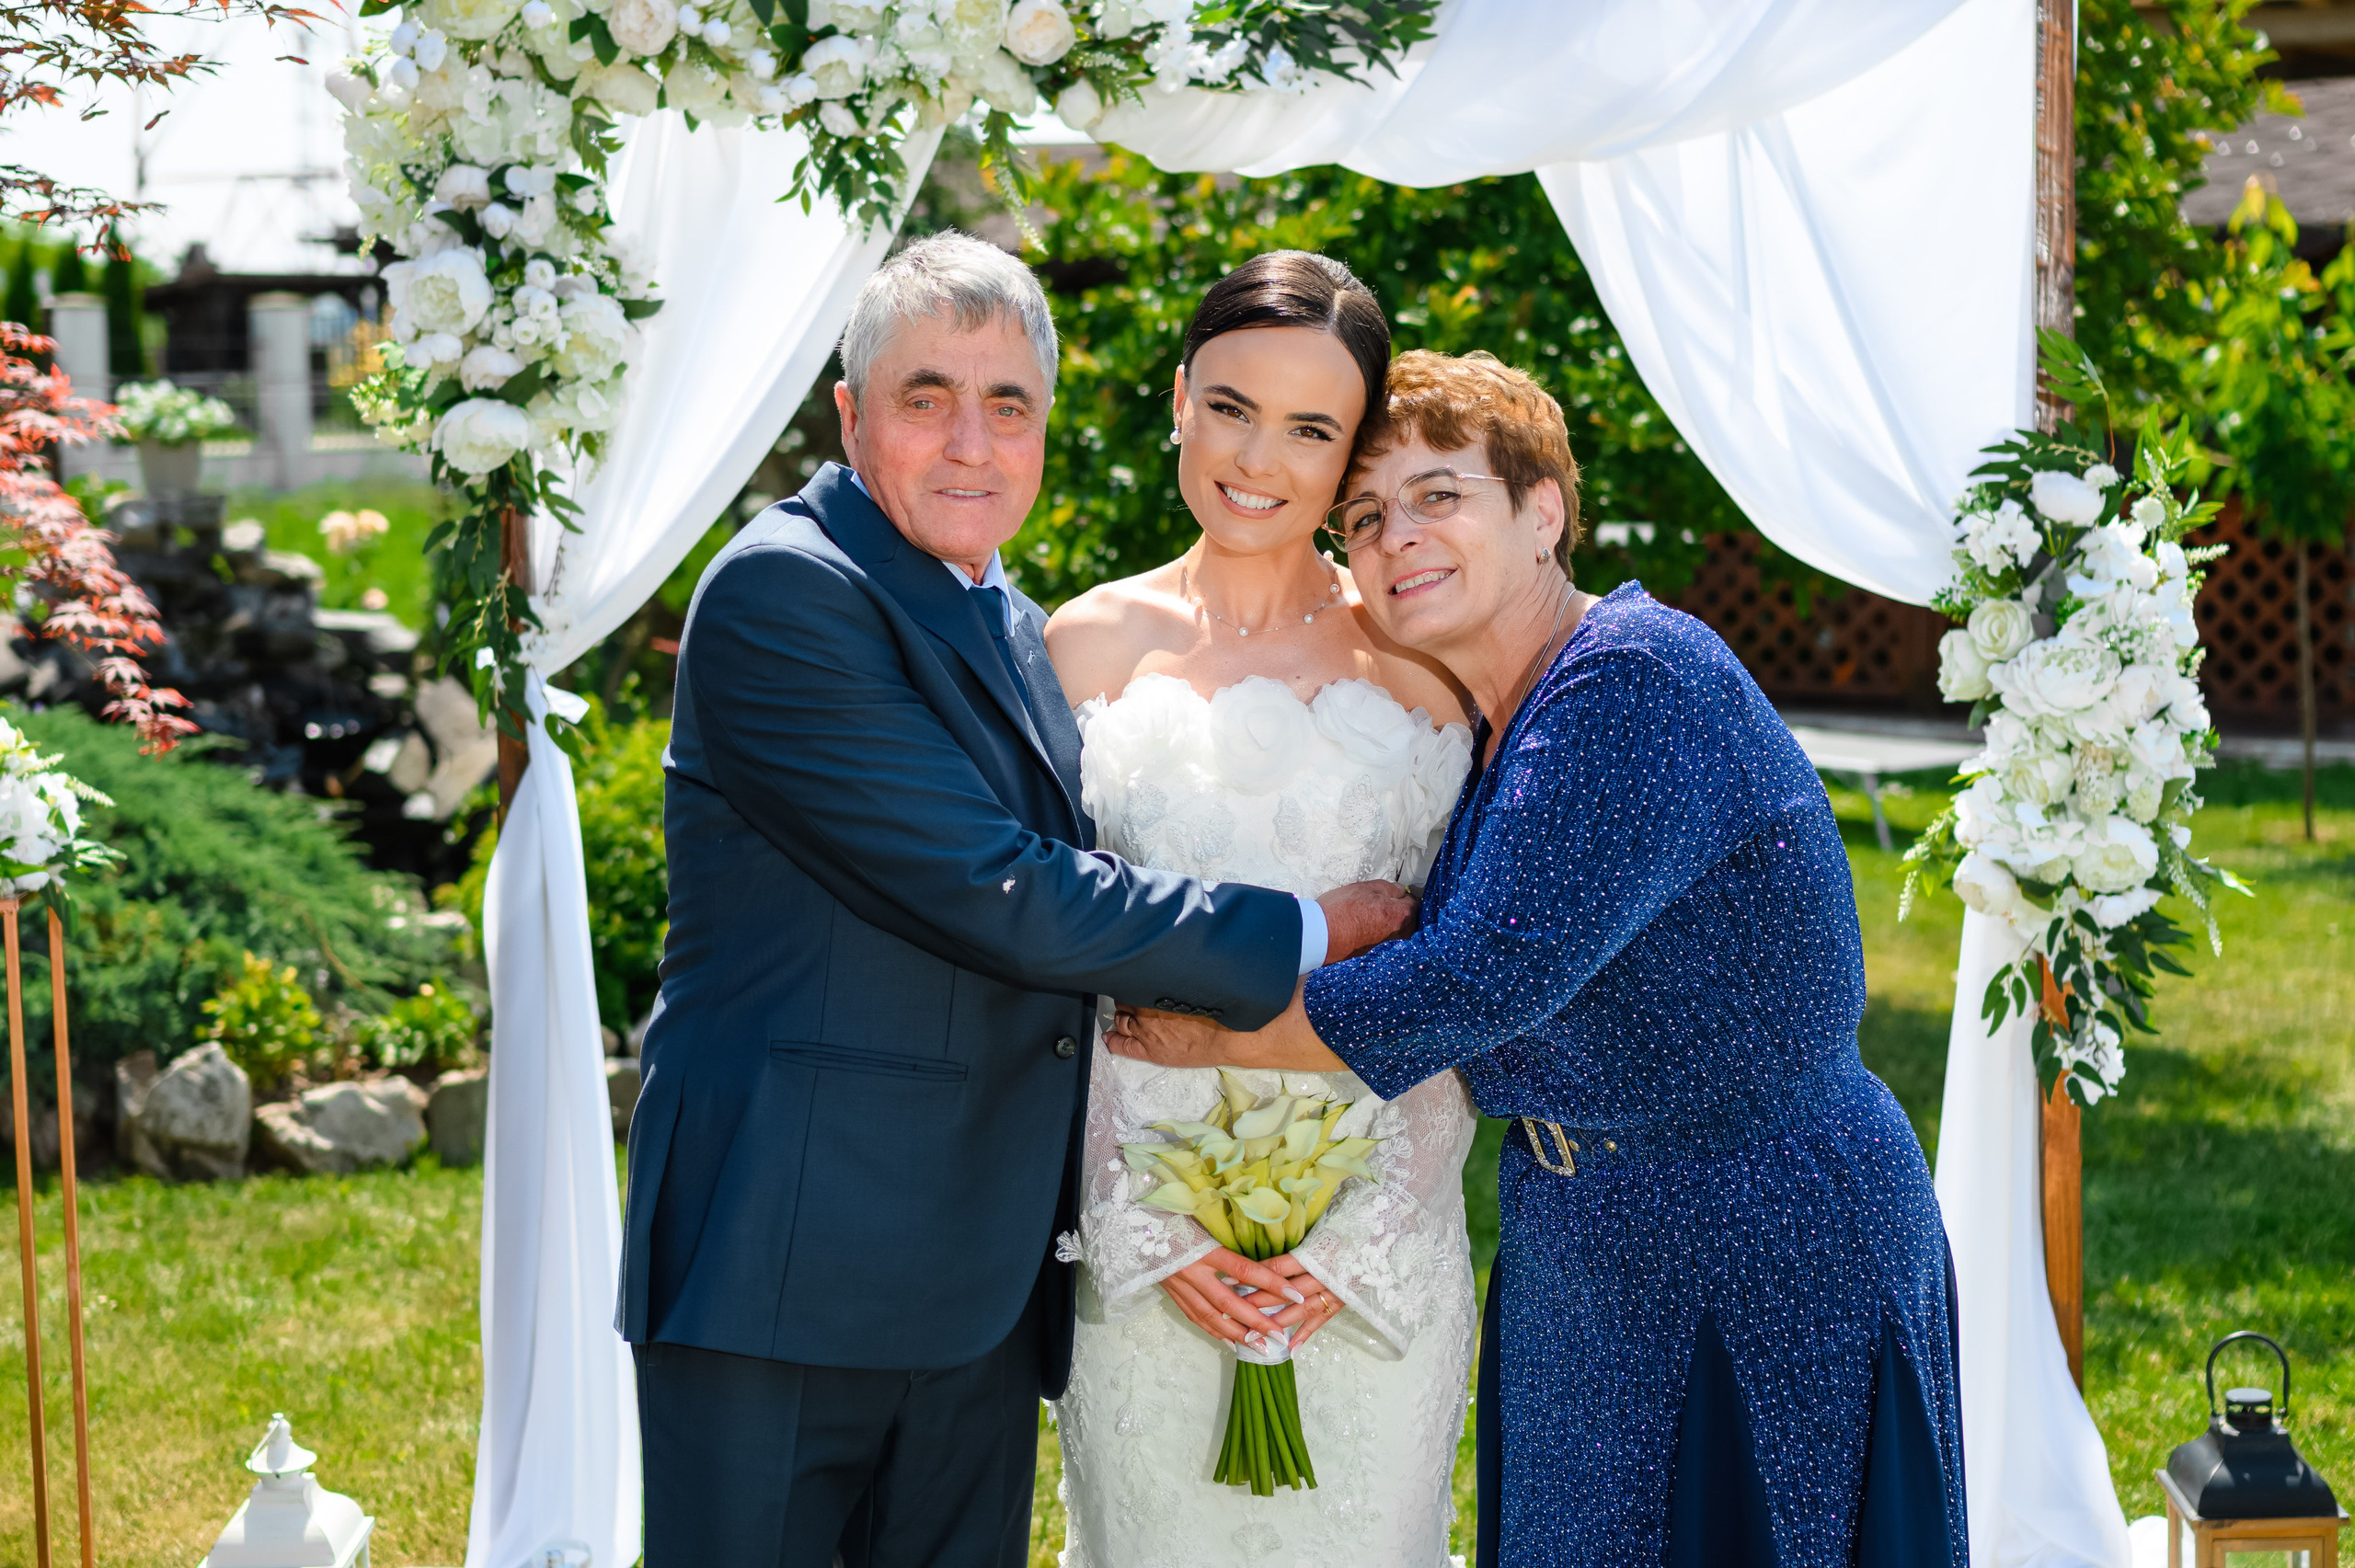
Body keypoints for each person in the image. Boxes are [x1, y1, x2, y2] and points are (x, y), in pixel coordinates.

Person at [618, 231, 1416, 1568]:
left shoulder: (1011, 619)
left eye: (1009, 406)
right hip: (789, 1265)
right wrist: (1309, 928)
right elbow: (1005, 892)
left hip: (980, 1285)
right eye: (926, 397)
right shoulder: (786, 592)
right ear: (850, 413)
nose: (970, 442)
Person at [1111, 349, 1969, 1567]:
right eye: (1365, 516)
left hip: (1761, 1231)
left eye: (1440, 494)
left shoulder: (1628, 680)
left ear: (1545, 510)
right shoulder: (1510, 711)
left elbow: (1474, 981)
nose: (1396, 535)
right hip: (1591, 1234)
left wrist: (1212, 1032)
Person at [1044, 253, 1480, 1566]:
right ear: (1179, 398)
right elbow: (1048, 968)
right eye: (1230, 406)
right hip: (1139, 1261)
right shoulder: (1075, 648)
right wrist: (1150, 1231)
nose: (1258, 458)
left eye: (1312, 429)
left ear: (1352, 454)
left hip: (1374, 1272)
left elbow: (1460, 971)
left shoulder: (1425, 666)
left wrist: (1350, 1246)